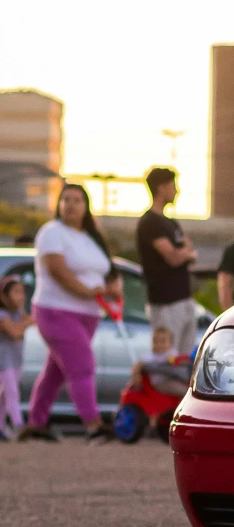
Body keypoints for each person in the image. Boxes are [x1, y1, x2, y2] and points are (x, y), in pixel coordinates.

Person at [18, 184, 119, 441]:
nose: (71, 204)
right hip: (57, 311)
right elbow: (57, 270)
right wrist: (85, 291)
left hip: (89, 314)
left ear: (86, 206)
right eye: (65, 199)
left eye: (77, 200)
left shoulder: (91, 237)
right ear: (58, 204)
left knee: (55, 371)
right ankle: (94, 425)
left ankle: (36, 425)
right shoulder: (52, 232)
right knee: (82, 366)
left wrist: (113, 289)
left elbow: (108, 271)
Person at [135, 167, 200, 357]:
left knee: (184, 359)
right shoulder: (150, 222)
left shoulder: (171, 223)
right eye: (173, 186)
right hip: (165, 302)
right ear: (161, 188)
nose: (176, 191)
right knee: (166, 358)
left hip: (184, 298)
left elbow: (190, 251)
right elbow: (173, 257)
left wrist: (185, 253)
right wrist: (184, 253)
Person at [115, 322, 191, 443]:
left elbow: (181, 362)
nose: (159, 345)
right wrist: (136, 376)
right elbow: (138, 365)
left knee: (187, 386)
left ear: (170, 343)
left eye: (163, 341)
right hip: (160, 384)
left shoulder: (172, 355)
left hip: (171, 380)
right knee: (187, 393)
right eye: (156, 341)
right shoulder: (151, 357)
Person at [0, 269, 34, 439]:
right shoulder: (3, 315)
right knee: (12, 393)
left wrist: (26, 321)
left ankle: (1, 428)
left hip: (15, 361)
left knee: (4, 396)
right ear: (3, 297)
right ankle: (19, 425)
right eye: (15, 292)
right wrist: (27, 322)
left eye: (21, 292)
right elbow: (14, 333)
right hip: (3, 363)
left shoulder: (18, 314)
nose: (21, 296)